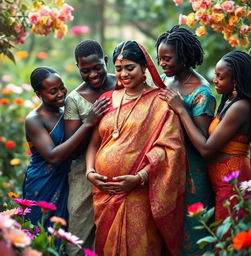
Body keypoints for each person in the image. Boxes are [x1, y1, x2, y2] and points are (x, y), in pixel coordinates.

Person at [85, 40, 187, 256]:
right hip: (104, 195)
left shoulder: (160, 102)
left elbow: (170, 151)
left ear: (145, 68)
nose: (123, 74)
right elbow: (95, 143)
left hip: (138, 194)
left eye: (130, 67)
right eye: (119, 68)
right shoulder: (106, 99)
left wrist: (139, 177)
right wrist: (89, 172)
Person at [161, 50, 251, 221]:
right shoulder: (230, 100)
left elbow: (206, 149)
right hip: (221, 182)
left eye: (220, 77)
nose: (215, 80)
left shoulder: (240, 107)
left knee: (229, 241)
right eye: (216, 75)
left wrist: (182, 110)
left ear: (236, 81)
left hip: (232, 182)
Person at [23, 66, 109, 231]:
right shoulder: (34, 120)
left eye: (62, 87)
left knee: (66, 232)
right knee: (40, 233)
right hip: (43, 182)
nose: (61, 93)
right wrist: (88, 123)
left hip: (67, 178)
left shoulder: (67, 110)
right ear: (39, 95)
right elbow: (53, 157)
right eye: (53, 91)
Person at [156, 25, 216, 255]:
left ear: (184, 57)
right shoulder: (165, 80)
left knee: (193, 232)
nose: (162, 64)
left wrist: (181, 109)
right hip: (167, 168)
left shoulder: (202, 92)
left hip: (192, 173)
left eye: (167, 59)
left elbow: (202, 144)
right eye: (160, 58)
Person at [64, 40, 116, 255]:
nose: (93, 75)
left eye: (97, 68)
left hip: (118, 172)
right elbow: (72, 148)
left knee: (114, 231)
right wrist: (91, 121)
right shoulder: (74, 99)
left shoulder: (121, 84)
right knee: (79, 230)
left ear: (105, 61)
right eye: (85, 71)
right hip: (84, 174)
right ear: (78, 68)